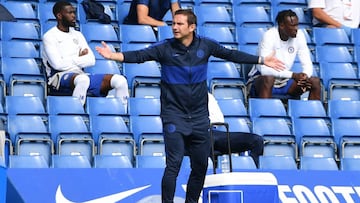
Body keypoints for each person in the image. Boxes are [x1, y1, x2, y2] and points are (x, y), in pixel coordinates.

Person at [96, 9, 284, 203]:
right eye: (173, 24)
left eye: (179, 24)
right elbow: (140, 55)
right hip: (174, 116)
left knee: (201, 165)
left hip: (200, 117)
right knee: (174, 164)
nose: (174, 27)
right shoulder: (165, 48)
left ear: (192, 27)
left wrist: (261, 60)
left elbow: (230, 54)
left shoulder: (206, 45)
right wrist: (113, 56)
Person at [41, 1, 129, 107]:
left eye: (74, 12)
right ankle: (76, 113)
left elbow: (91, 60)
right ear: (59, 16)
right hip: (58, 78)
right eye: (70, 13)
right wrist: (79, 58)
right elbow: (57, 65)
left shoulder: (78, 35)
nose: (74, 16)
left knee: (120, 80)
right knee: (83, 80)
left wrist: (67, 59)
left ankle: (121, 115)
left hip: (80, 74)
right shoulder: (49, 37)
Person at [247, 9, 321, 100]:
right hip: (260, 79)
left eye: (297, 25)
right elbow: (264, 70)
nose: (296, 29)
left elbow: (307, 63)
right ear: (282, 25)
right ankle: (266, 113)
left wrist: (305, 76)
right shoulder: (269, 36)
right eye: (292, 25)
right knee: (269, 79)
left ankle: (311, 114)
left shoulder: (300, 36)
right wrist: (293, 75)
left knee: (314, 82)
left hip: (285, 81)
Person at [208, 93, 264, 168]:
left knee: (257, 140)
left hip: (214, 131)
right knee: (208, 139)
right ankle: (208, 174)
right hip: (198, 133)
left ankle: (252, 171)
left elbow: (219, 119)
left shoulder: (208, 96)